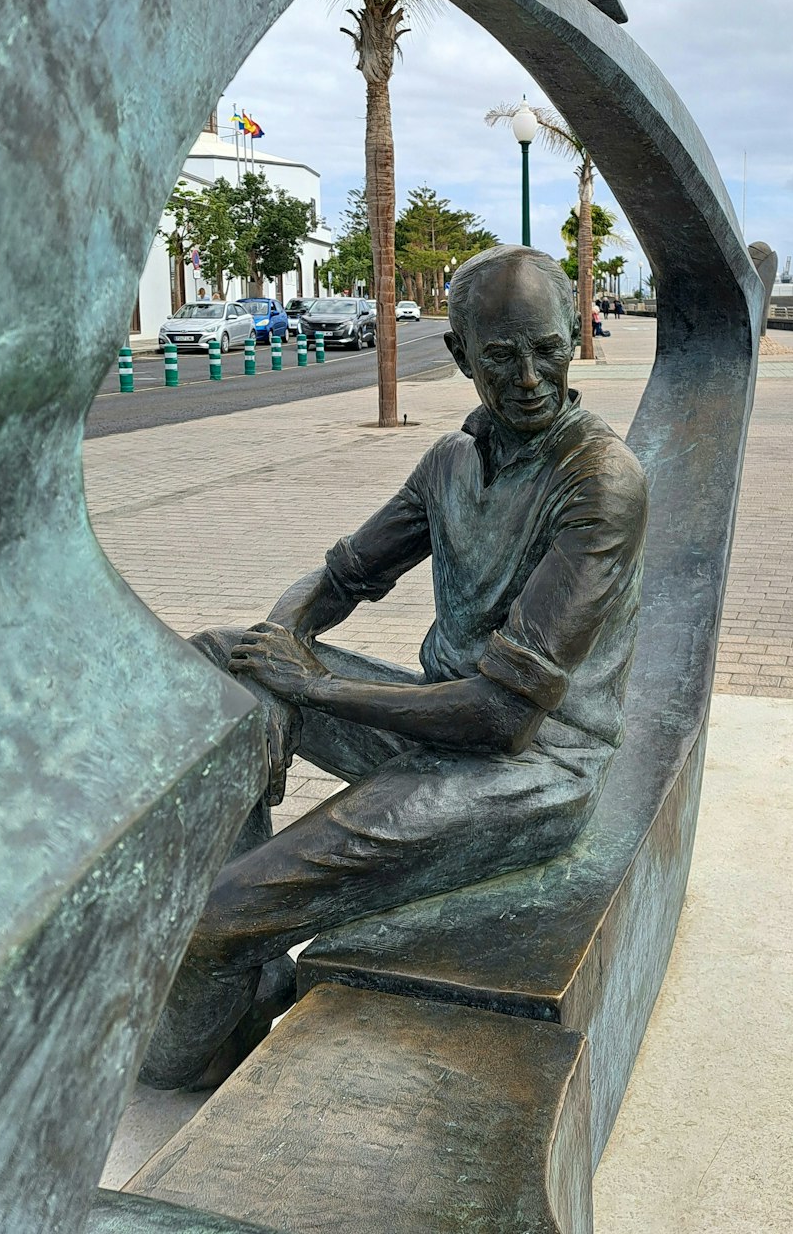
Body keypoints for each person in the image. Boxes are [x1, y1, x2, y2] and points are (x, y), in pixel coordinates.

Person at [140, 245, 648, 1090]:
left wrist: (311, 687)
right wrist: (272, 667)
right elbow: (338, 578)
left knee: (208, 921)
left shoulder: (600, 484)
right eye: (500, 356)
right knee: (217, 660)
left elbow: (499, 719)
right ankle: (244, 958)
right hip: (438, 724)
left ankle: (194, 1026)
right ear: (460, 359)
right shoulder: (450, 462)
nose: (529, 377)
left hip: (528, 770)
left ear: (575, 338)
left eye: (549, 349)